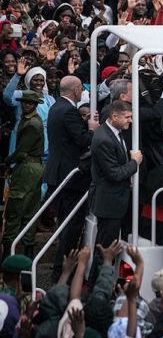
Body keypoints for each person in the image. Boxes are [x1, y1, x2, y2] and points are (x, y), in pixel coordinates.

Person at [44, 75, 98, 281]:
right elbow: (83, 141)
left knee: (67, 223)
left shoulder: (56, 107)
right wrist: (92, 130)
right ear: (76, 91)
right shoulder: (68, 111)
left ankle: (63, 267)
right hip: (70, 176)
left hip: (59, 173)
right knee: (72, 224)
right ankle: (62, 269)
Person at [89, 100, 142, 281]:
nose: (130, 121)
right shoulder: (103, 138)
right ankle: (98, 287)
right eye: (127, 117)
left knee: (105, 247)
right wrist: (134, 162)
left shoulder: (115, 133)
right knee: (105, 249)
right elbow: (114, 174)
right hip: (109, 203)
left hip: (115, 201)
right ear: (114, 117)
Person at [1, 91, 44, 259]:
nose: (27, 105)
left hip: (28, 168)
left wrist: (7, 161)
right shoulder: (31, 121)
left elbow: (21, 152)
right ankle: (25, 252)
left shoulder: (32, 124)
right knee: (29, 210)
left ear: (35, 105)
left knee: (16, 208)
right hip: (32, 166)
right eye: (25, 102)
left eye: (30, 103)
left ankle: (8, 254)